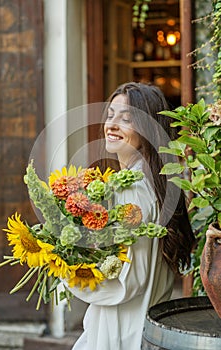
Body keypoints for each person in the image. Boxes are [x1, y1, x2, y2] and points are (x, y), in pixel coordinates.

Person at [68, 82, 195, 350]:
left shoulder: (134, 190)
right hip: (143, 328)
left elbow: (127, 282)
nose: (111, 125)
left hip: (123, 333)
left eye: (126, 119)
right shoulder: (157, 184)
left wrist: (64, 267)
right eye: (110, 115)